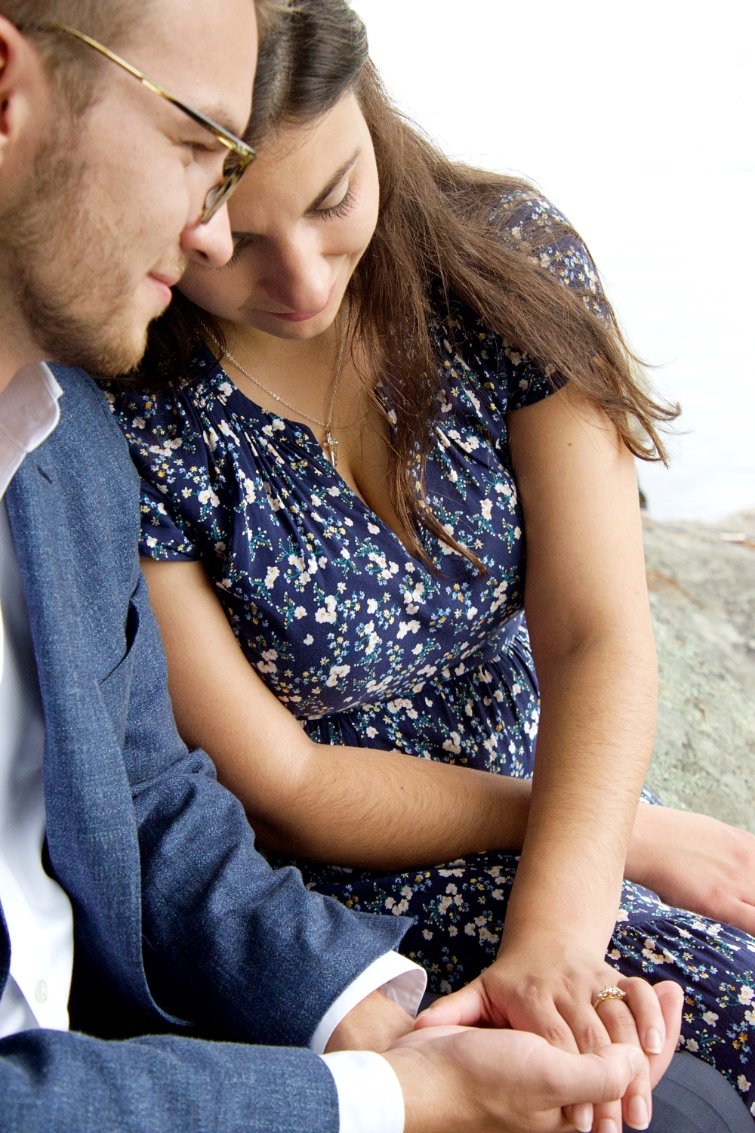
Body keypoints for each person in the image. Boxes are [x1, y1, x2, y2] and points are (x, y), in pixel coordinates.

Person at [0, 3, 695, 1132]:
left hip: (558, 823)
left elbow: (592, 632)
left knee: (692, 1067)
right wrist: (410, 1076)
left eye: (331, 202)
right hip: (360, 873)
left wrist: (564, 915)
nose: (303, 280)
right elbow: (277, 788)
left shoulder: (497, 265)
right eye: (223, 216)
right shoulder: (123, 400)